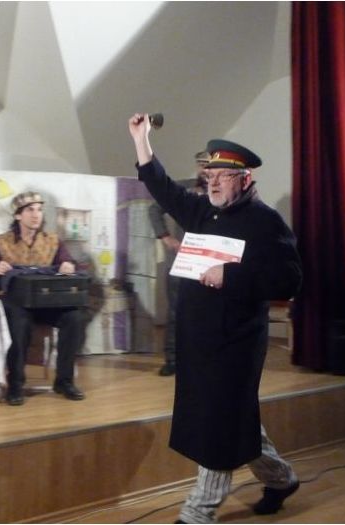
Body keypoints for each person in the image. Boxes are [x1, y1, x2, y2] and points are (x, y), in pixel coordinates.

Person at [129, 113, 303, 523]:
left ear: (244, 179)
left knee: (219, 421)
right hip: (198, 339)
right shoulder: (202, 211)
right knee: (232, 418)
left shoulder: (265, 222)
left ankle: (198, 511)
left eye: (223, 175)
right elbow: (162, 188)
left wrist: (231, 274)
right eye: (210, 174)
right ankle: (281, 479)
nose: (213, 182)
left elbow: (290, 279)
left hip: (236, 343)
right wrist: (141, 139)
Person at [0, 191, 87, 406]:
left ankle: (64, 381)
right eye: (30, 210)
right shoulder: (0, 243)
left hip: (46, 303)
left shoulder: (53, 241)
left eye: (39, 210)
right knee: (19, 322)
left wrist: (69, 266)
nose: (36, 215)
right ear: (18, 215)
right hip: (15, 303)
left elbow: (70, 264)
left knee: (74, 318)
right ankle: (15, 383)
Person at [148, 151, 209, 376]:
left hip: (211, 263)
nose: (204, 169)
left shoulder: (223, 192)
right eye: (201, 164)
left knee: (207, 313)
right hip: (182, 261)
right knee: (176, 312)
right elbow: (154, 208)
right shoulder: (183, 188)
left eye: (209, 165)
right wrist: (166, 237)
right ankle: (172, 359)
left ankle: (201, 358)